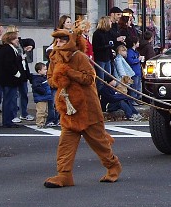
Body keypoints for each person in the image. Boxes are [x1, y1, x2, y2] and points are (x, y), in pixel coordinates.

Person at [43, 27, 122, 188]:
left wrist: (69, 73)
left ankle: (113, 166)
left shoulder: (79, 57)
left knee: (98, 142)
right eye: (57, 40)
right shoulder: (54, 57)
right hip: (68, 109)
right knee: (65, 144)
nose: (58, 43)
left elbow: (89, 78)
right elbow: (51, 80)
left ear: (70, 41)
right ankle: (64, 175)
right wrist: (59, 77)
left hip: (87, 108)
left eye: (62, 40)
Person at [0, 29, 26, 128]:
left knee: (10, 100)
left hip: (8, 79)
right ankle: (8, 121)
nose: (17, 40)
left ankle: (9, 120)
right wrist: (17, 74)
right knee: (9, 100)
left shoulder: (7, 49)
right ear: (10, 39)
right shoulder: (7, 49)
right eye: (15, 38)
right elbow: (9, 64)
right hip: (9, 79)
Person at [31, 61, 57, 128]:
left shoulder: (44, 78)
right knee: (41, 111)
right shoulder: (37, 79)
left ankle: (43, 123)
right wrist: (43, 91)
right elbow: (35, 87)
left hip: (45, 97)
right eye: (45, 69)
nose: (46, 71)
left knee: (45, 112)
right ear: (39, 71)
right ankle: (40, 123)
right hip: (40, 98)